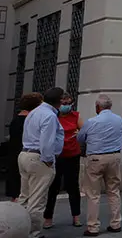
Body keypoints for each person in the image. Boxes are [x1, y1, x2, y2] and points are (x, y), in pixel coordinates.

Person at [19, 87, 65, 238]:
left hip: (25, 154)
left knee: (25, 196)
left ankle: (18, 227)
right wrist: (48, 160)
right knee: (37, 199)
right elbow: (47, 142)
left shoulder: (34, 112)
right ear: (59, 101)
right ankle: (33, 233)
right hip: (39, 158)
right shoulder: (49, 116)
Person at [78, 94, 122, 236]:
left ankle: (93, 227)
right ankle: (116, 223)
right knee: (114, 191)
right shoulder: (119, 120)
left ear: (97, 107)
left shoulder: (91, 122)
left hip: (96, 158)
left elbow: (80, 138)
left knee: (93, 194)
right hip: (114, 156)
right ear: (110, 106)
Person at [43, 93, 83, 230]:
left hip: (72, 154)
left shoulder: (75, 116)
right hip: (57, 155)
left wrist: (79, 135)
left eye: (69, 103)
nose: (66, 106)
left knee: (73, 186)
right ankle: (48, 217)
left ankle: (76, 216)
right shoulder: (53, 116)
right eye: (64, 103)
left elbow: (83, 130)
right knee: (53, 187)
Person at [7, 93, 42, 201]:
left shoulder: (15, 120)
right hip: (28, 155)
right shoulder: (30, 120)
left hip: (15, 155)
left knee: (17, 187)